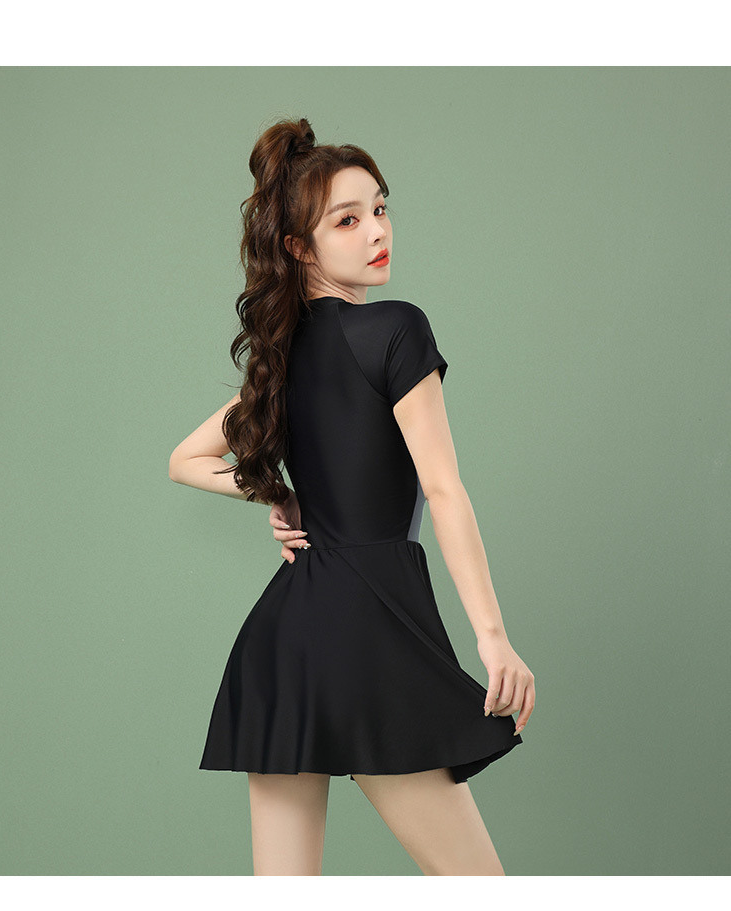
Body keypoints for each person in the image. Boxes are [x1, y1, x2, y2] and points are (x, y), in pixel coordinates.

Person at [168, 117, 535, 876]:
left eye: (380, 208)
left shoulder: (278, 363)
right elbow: (443, 488)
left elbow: (184, 460)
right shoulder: (397, 330)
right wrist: (493, 637)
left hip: (284, 643)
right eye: (347, 219)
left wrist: (278, 496)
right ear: (300, 248)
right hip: (367, 631)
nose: (377, 230)